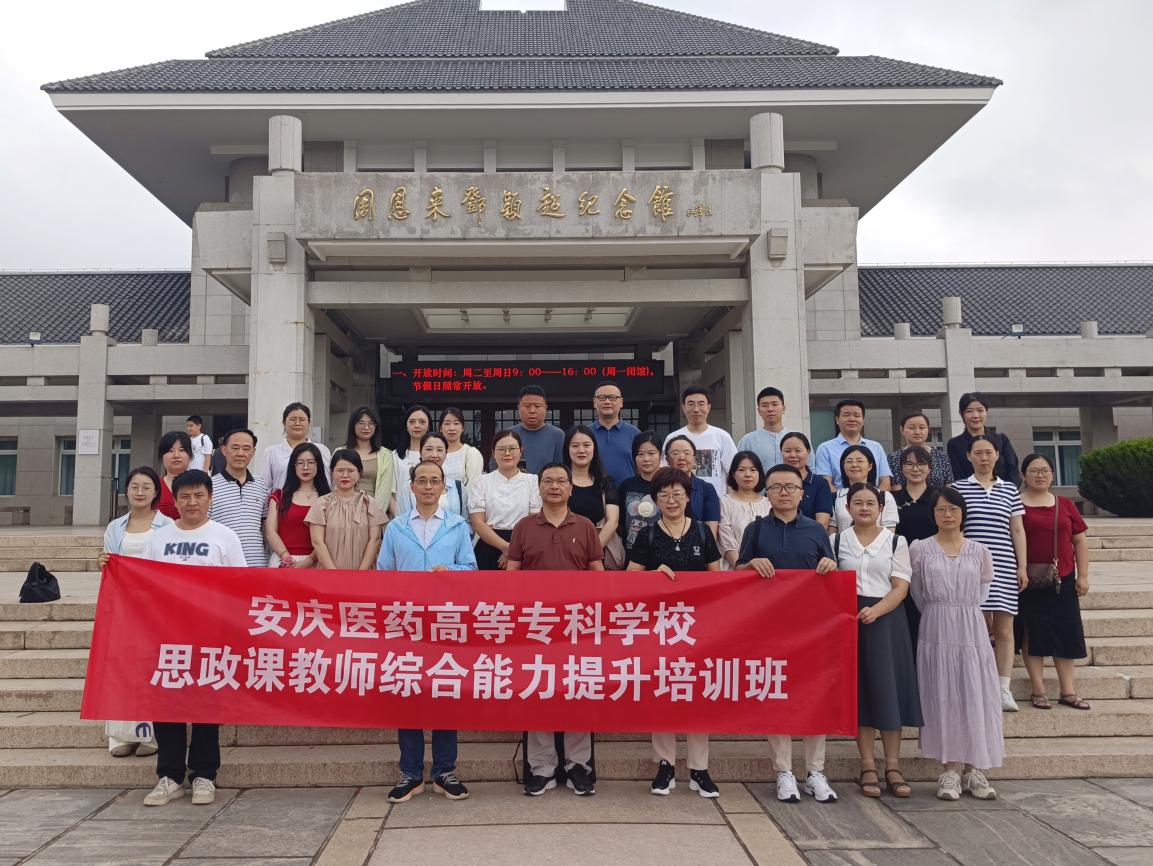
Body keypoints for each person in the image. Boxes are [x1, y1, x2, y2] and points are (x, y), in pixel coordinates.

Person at [141, 469, 247, 807]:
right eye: (185, 496)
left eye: (199, 495)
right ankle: (169, 776)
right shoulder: (158, 539)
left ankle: (204, 775)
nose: (192, 502)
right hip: (167, 636)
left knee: (205, 706)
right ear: (175, 500)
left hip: (210, 636)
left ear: (210, 498)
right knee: (166, 704)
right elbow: (143, 583)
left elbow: (241, 585)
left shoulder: (225, 536)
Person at [736, 464, 839, 804]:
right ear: (766, 492)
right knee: (776, 696)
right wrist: (750, 565)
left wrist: (830, 566)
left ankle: (815, 771)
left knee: (814, 698)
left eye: (790, 487)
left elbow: (831, 574)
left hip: (811, 629)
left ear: (801, 493)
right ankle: (784, 771)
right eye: (776, 487)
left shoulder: (816, 530)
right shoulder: (755, 529)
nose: (783, 492)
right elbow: (737, 573)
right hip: (769, 629)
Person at [377, 459, 477, 804]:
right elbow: (384, 573)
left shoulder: (457, 525)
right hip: (406, 622)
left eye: (435, 481)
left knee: (445, 692)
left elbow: (471, 568)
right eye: (422, 480)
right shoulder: (396, 527)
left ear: (444, 487)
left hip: (445, 622)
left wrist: (449, 572)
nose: (428, 486)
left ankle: (445, 771)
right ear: (412, 486)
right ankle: (410, 772)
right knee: (408, 692)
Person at [507, 463, 603, 796]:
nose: (554, 486)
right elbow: (512, 576)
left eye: (561, 481)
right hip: (535, 627)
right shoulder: (524, 527)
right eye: (548, 481)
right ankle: (542, 768)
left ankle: (579, 766)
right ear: (539, 488)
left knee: (578, 692)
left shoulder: (586, 526)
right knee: (538, 692)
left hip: (577, 626)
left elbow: (597, 573)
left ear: (571, 488)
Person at [627, 467, 722, 798]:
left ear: (688, 497)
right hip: (660, 629)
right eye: (664, 495)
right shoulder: (647, 535)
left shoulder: (702, 532)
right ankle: (665, 765)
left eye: (677, 494)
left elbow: (717, 579)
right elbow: (630, 579)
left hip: (699, 629)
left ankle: (699, 769)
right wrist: (652, 575)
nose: (671, 500)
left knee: (698, 696)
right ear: (655, 500)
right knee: (664, 694)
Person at [910, 488, 1003, 802]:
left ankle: (976, 768)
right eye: (940, 509)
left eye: (953, 509)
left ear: (963, 513)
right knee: (942, 693)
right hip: (935, 625)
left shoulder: (980, 551)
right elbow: (917, 593)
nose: (947, 515)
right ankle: (949, 768)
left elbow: (983, 592)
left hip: (971, 626)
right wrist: (942, 610)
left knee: (975, 692)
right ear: (933, 514)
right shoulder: (920, 549)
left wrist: (961, 609)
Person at [833, 482, 921, 799]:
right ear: (847, 509)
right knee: (862, 693)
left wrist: (877, 610)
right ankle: (867, 764)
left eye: (871, 503)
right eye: (858, 503)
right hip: (850, 621)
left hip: (887, 620)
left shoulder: (896, 541)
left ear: (881, 509)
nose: (864, 508)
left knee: (889, 690)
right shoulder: (836, 541)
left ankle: (893, 766)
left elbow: (901, 586)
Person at [99, 465, 172, 758]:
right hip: (123, 607)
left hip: (156, 609)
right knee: (121, 668)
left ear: (156, 493)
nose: (140, 492)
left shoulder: (168, 526)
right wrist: (104, 562)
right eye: (134, 487)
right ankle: (120, 735)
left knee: (151, 668)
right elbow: (110, 564)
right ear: (126, 491)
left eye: (146, 487)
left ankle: (150, 736)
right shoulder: (114, 527)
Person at [951, 435, 1027, 712]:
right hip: (970, 567)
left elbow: (1017, 529)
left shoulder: (1009, 490)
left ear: (997, 455)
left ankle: (1003, 688)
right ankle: (978, 684)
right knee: (977, 628)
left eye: (988, 452)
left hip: (1004, 565)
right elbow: (953, 528)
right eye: (978, 453)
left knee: (1005, 629)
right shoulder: (958, 489)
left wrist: (1022, 566)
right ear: (968, 457)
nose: (983, 458)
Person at [1017, 453, 1091, 711]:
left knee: (1066, 632)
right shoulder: (1016, 504)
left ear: (1052, 474)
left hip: (1063, 578)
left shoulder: (1065, 504)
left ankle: (1068, 691)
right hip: (1029, 580)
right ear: (1023, 475)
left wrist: (1083, 575)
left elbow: (1079, 540)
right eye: (1034, 471)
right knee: (1032, 633)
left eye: (1045, 470)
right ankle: (1038, 690)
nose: (1040, 475)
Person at [468, 430, 541, 570]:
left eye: (512, 448)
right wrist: (507, 548)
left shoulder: (532, 481)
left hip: (524, 545)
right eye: (501, 449)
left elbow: (534, 520)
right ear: (493, 453)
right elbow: (478, 523)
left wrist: (514, 549)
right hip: (489, 544)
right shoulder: (482, 481)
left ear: (521, 451)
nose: (507, 453)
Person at [306, 449, 387, 570]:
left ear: (359, 474)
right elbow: (318, 542)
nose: (345, 475)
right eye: (340, 470)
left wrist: (361, 573)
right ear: (332, 473)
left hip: (364, 573)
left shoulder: (370, 503)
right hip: (329, 573)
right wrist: (334, 574)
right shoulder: (321, 504)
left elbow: (375, 540)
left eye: (350, 471)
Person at [892, 445, 939, 650]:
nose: (915, 469)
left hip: (933, 568)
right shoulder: (892, 499)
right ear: (902, 468)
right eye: (909, 464)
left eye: (921, 464)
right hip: (900, 570)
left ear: (929, 468)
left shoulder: (939, 497)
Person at [208, 428, 270, 568]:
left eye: (246, 449)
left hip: (257, 565)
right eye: (235, 448)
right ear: (224, 450)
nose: (241, 453)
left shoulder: (261, 485)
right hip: (223, 566)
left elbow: (266, 526)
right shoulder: (209, 486)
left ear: (253, 452)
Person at [563, 425, 623, 569]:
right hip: (563, 554)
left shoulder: (605, 482)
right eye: (575, 446)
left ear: (594, 448)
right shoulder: (559, 481)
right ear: (567, 449)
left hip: (598, 554)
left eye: (586, 445)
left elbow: (612, 521)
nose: (581, 450)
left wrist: (591, 554)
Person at [662, 386, 738, 498]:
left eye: (701, 404)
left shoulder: (722, 437)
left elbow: (733, 472)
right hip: (679, 500)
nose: (696, 409)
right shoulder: (672, 438)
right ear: (683, 407)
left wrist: (730, 501)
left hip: (715, 500)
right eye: (691, 404)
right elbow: (664, 471)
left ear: (708, 407)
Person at [265, 442, 329, 568]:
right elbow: (270, 531)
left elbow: (330, 536)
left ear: (319, 465)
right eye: (300, 463)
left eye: (311, 462)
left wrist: (309, 560)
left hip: (317, 562)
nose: (305, 467)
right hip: (284, 562)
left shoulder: (328, 498)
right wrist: (286, 557)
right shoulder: (279, 496)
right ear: (293, 466)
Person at [813, 400, 892, 492]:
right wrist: (842, 499)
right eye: (846, 415)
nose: (852, 419)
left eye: (857, 415)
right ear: (837, 420)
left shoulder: (876, 447)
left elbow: (885, 481)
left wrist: (874, 498)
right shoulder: (825, 448)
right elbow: (825, 482)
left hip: (874, 499)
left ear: (863, 420)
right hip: (839, 499)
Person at [946, 392, 1021, 486]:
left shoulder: (1001, 440)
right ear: (961, 414)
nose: (975, 415)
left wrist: (1004, 491)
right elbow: (958, 476)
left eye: (980, 410)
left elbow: (1013, 472)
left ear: (986, 411)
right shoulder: (954, 444)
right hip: (969, 493)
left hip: (1004, 493)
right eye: (969, 411)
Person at [254, 402, 332, 491]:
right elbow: (264, 487)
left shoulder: (322, 450)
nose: (297, 423)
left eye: (302, 419)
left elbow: (328, 482)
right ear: (284, 423)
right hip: (283, 499)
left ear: (309, 423)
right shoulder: (271, 452)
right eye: (293, 419)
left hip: (317, 499)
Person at [394, 433, 466, 518]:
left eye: (439, 450)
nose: (434, 455)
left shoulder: (458, 487)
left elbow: (465, 522)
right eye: (429, 449)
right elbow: (401, 522)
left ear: (446, 453)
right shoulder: (407, 488)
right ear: (420, 452)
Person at [719, 451, 771, 568]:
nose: (748, 474)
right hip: (735, 569)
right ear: (733, 474)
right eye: (741, 470)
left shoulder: (769, 503)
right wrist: (742, 567)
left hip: (767, 569)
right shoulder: (724, 502)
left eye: (753, 470)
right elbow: (726, 540)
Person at [617, 431, 662, 561]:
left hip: (663, 553)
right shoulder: (627, 485)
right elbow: (619, 520)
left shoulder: (669, 484)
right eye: (640, 454)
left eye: (651, 453)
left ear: (661, 455)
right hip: (632, 553)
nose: (646, 459)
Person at [664, 435, 720, 540]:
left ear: (694, 459)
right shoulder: (659, 487)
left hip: (698, 546)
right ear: (667, 459)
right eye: (675, 453)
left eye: (687, 453)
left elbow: (711, 531)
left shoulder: (706, 489)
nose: (682, 457)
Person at [831, 445, 898, 533]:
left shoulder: (885, 497)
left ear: (870, 466)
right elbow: (832, 533)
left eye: (860, 461)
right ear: (843, 466)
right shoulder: (835, 498)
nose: (854, 465)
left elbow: (890, 534)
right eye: (849, 461)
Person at [344, 406, 396, 519]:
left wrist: (373, 516)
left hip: (374, 515)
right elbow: (335, 486)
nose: (366, 427)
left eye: (371, 423)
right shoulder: (341, 452)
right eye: (361, 423)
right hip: (344, 513)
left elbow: (385, 490)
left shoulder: (385, 455)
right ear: (353, 425)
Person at [590, 381, 642, 487]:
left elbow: (642, 467)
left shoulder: (635, 434)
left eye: (612, 397)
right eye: (602, 397)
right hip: (593, 493)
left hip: (628, 493)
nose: (607, 401)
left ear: (621, 402)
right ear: (594, 402)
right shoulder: (586, 434)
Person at [507, 385, 565, 475]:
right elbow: (495, 464)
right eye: (527, 406)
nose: (532, 411)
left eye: (537, 406)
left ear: (545, 408)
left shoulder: (558, 435)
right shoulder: (508, 434)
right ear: (518, 408)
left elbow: (562, 467)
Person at [886, 413, 952, 490]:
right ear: (902, 430)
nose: (917, 432)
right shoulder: (893, 458)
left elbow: (949, 486)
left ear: (928, 429)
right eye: (912, 428)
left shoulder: (942, 457)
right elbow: (894, 487)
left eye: (922, 427)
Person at [780, 432, 833, 528]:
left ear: (808, 452)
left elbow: (822, 524)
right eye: (787, 451)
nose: (793, 455)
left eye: (798, 450)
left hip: (810, 536)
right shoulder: (775, 483)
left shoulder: (820, 483)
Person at [737, 387, 792, 471]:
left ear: (783, 408)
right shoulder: (748, 441)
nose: (770, 409)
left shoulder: (797, 438)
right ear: (759, 411)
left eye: (775, 404)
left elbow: (810, 468)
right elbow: (739, 470)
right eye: (765, 405)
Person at [392, 404, 432, 501]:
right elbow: (390, 493)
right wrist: (398, 511)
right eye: (412, 422)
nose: (417, 425)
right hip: (401, 508)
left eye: (422, 422)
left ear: (428, 426)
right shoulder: (395, 455)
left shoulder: (436, 454)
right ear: (406, 426)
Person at [440, 406, 484, 487]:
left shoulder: (471, 453)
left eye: (456, 423)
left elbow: (473, 486)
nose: (452, 428)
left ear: (462, 428)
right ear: (440, 428)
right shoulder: (434, 453)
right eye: (447, 423)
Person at [156, 431, 193, 520]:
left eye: (181, 450)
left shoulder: (200, 486)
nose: (176, 455)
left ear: (190, 455)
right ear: (161, 456)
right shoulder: (154, 487)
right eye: (170, 450)